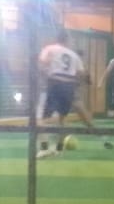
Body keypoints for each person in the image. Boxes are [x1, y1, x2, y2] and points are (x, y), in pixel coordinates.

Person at [35, 30, 101, 158]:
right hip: (69, 86)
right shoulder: (73, 55)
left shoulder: (50, 49)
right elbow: (81, 74)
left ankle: (44, 148)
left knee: (40, 119)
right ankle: (59, 149)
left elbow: (42, 64)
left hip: (54, 82)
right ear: (67, 40)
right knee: (62, 119)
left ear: (57, 38)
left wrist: (44, 75)